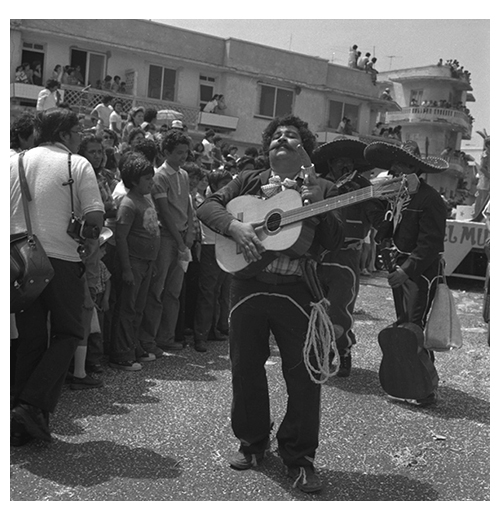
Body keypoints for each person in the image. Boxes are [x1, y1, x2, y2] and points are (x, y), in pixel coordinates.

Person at [197, 114, 344, 493]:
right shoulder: (249, 180)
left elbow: (335, 240)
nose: (282, 139)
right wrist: (234, 226)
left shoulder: (323, 187)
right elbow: (208, 207)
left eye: (291, 135)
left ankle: (299, 458)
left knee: (305, 376)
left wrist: (319, 204)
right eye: (276, 135)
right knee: (244, 367)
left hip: (297, 291)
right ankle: (252, 443)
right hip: (247, 286)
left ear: (304, 148)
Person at [10, 108, 104, 445]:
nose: (80, 136)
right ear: (64, 133)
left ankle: (20, 423)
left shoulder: (15, 162)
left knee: (31, 339)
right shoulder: (75, 164)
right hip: (61, 260)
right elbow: (94, 217)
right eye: (77, 131)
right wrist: (86, 231)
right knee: (68, 332)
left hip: (20, 260)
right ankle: (32, 404)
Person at [363, 140, 449, 406]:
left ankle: (426, 387)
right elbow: (383, 229)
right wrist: (375, 203)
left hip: (419, 272)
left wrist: (406, 269)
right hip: (399, 268)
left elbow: (430, 244)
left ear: (413, 167)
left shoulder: (430, 198)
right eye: (393, 166)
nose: (394, 170)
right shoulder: (396, 195)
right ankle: (411, 381)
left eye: (401, 165)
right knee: (404, 325)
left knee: (413, 326)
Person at [312, 138, 385, 377]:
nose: (344, 165)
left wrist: (371, 197)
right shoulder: (319, 185)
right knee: (316, 308)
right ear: (330, 163)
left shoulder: (364, 188)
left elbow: (380, 221)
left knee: (340, 311)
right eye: (339, 161)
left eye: (348, 161)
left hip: (347, 258)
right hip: (319, 257)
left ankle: (343, 350)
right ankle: (322, 351)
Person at [139, 130, 194, 355]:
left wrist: (189, 233)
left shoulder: (184, 175)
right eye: (179, 153)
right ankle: (149, 339)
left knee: (174, 291)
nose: (183, 157)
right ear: (166, 152)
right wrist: (181, 240)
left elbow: (188, 207)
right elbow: (165, 212)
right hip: (167, 238)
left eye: (185, 152)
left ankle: (167, 337)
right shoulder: (159, 176)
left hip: (182, 238)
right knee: (157, 290)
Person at [110, 153, 161, 370]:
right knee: (127, 308)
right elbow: (121, 237)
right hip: (134, 262)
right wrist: (127, 269)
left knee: (139, 308)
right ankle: (121, 354)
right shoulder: (128, 203)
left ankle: (133, 346)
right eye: (147, 179)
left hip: (147, 262)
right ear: (133, 181)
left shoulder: (145, 199)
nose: (152, 182)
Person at [192, 168, 233, 352]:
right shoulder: (208, 201)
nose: (228, 187)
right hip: (210, 246)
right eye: (223, 184)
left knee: (218, 292)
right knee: (207, 293)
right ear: (214, 186)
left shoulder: (230, 200)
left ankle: (213, 329)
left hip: (225, 246)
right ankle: (200, 335)